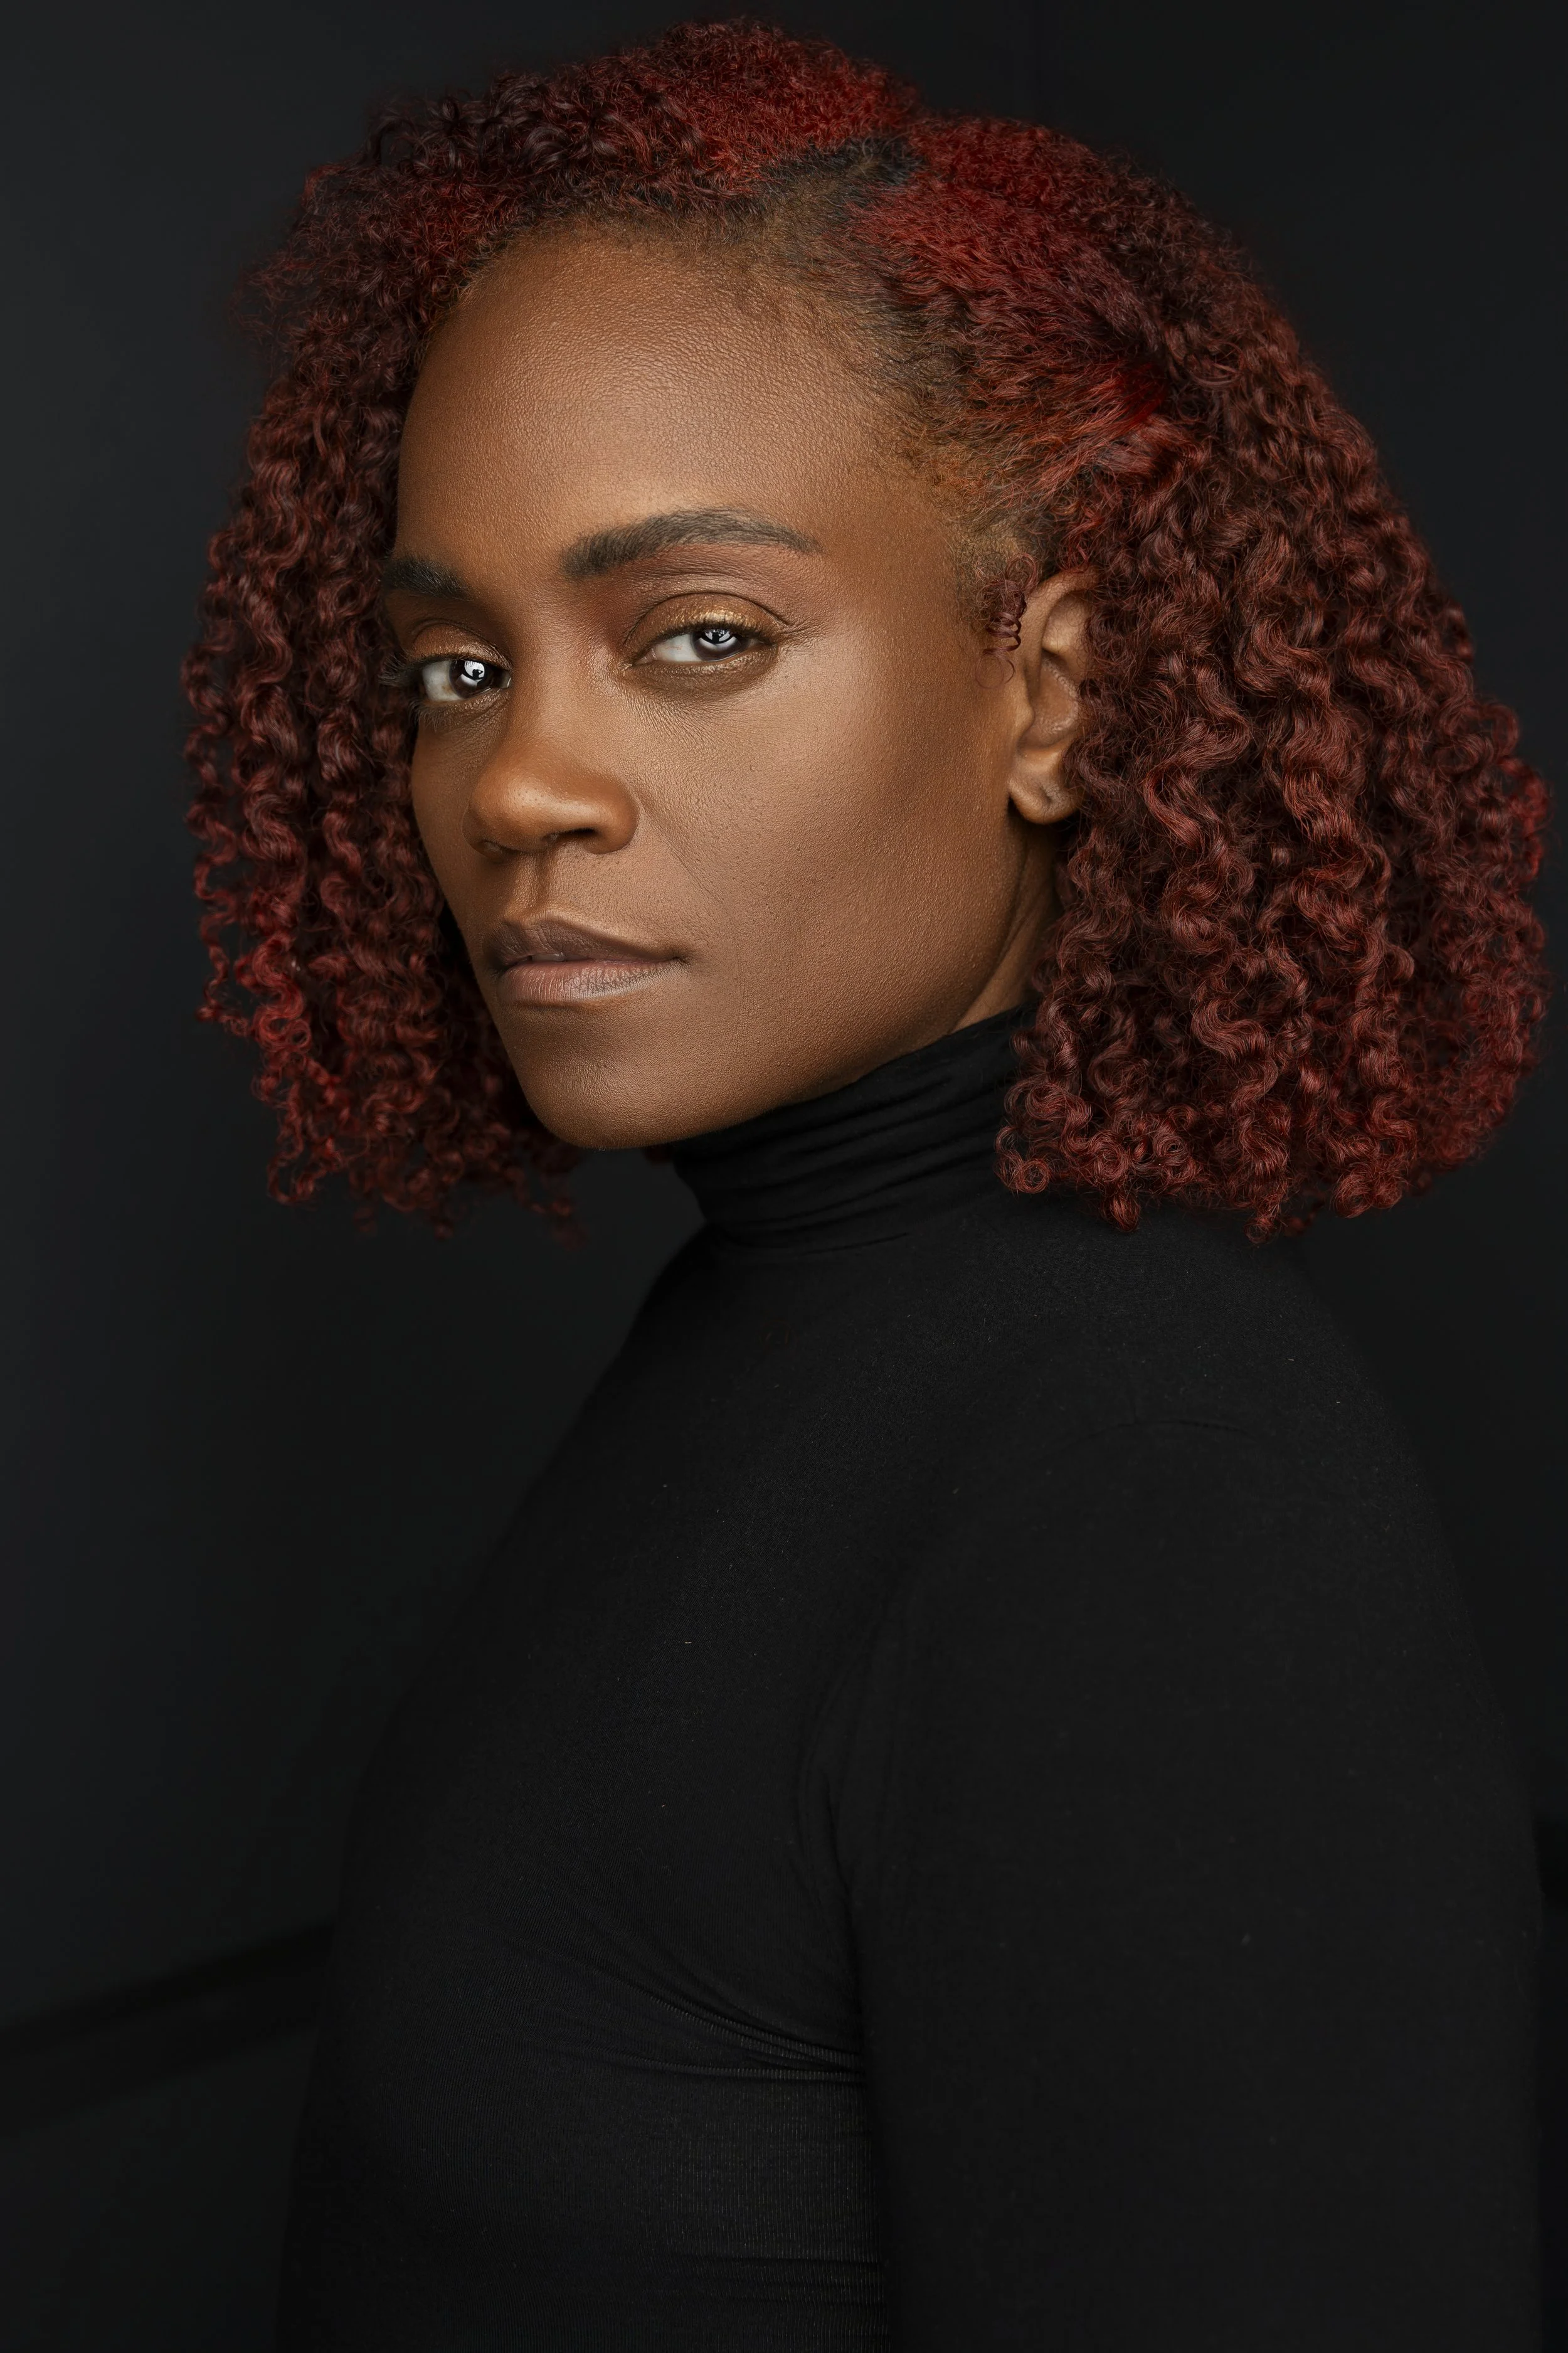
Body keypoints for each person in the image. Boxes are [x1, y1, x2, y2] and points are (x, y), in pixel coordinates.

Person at [184, 23, 1547, 2348]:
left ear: (1052, 692)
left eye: (695, 635)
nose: (518, 782)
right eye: (450, 661)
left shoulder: (1145, 1471)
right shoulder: (780, 1323)